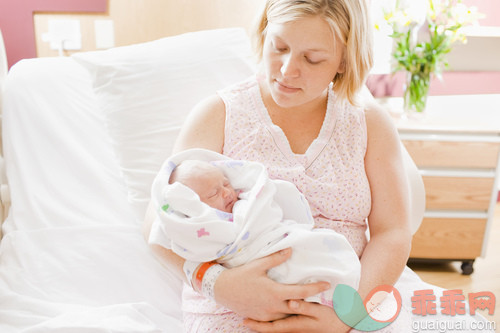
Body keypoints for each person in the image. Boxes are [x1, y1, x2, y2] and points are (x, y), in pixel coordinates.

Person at [144, 0, 494, 331]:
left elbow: (392, 232)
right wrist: (218, 284)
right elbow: (158, 221)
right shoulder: (219, 114)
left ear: (343, 61)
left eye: (312, 59)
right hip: (237, 308)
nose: (286, 70)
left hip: (347, 298)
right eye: (279, 47)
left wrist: (349, 315)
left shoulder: (368, 123)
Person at [148, 150, 361, 310]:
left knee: (318, 254)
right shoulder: (204, 225)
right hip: (244, 285)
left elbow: (264, 208)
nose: (226, 192)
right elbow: (158, 232)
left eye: (225, 183)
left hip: (282, 239)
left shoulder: (246, 203)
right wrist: (218, 284)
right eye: (214, 193)